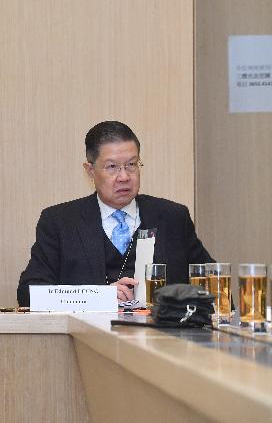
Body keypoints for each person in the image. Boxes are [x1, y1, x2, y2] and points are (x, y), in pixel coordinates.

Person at [17, 121, 214, 307]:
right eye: (112, 167)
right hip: (88, 331)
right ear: (90, 170)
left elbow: (212, 282)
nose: (124, 177)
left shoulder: (173, 217)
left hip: (158, 330)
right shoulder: (60, 222)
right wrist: (98, 297)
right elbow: (28, 293)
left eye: (131, 165)